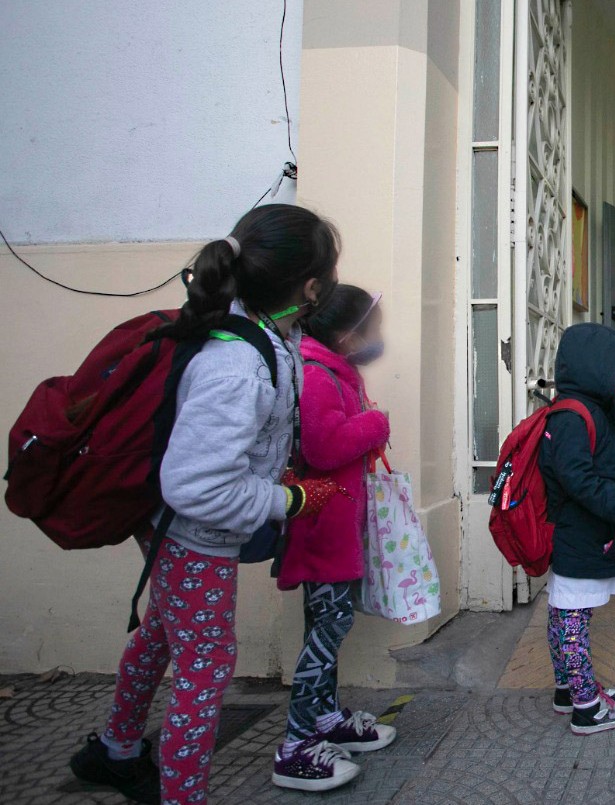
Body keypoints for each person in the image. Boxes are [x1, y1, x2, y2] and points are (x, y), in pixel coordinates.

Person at [69, 205, 345, 805]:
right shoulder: (237, 366)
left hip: (179, 531)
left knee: (161, 634)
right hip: (191, 535)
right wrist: (288, 499)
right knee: (207, 665)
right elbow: (197, 487)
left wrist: (275, 471)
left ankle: (115, 750)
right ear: (310, 287)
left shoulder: (268, 333)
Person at [272, 285, 397, 791]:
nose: (378, 337)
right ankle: (296, 745)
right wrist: (375, 424)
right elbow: (324, 447)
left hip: (333, 527)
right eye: (373, 328)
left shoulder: (333, 370)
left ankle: (325, 720)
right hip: (320, 529)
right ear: (347, 336)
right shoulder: (320, 375)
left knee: (327, 624)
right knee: (330, 626)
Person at [538, 323, 615, 734]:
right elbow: (583, 484)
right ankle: (587, 708)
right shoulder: (573, 417)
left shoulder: (588, 407)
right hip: (580, 534)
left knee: (565, 614)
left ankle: (567, 690)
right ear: (596, 366)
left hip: (583, 534)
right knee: (572, 621)